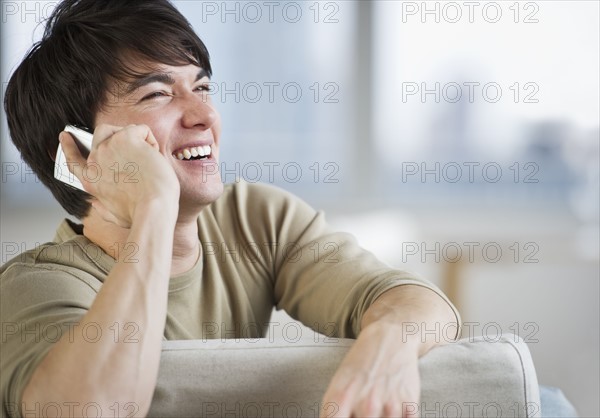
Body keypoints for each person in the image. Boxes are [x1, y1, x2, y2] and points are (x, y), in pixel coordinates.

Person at [2, 0, 466, 417]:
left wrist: (387, 345)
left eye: (202, 87)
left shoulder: (254, 218)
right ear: (75, 155)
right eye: (158, 94)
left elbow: (420, 303)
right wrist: (154, 204)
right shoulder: (34, 287)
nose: (204, 115)